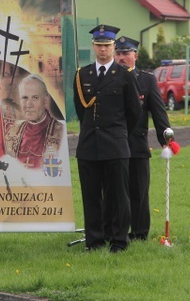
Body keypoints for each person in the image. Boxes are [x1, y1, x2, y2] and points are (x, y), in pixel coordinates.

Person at [73, 25, 141, 253]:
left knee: (119, 196)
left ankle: (119, 240)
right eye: (99, 45)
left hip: (115, 143)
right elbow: (82, 112)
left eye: (107, 45)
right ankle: (94, 240)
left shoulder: (124, 75)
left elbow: (134, 113)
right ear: (93, 47)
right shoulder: (83, 75)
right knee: (91, 195)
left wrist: (118, 133)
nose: (103, 50)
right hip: (89, 144)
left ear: (113, 47)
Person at [111, 36, 173, 241]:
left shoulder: (146, 80)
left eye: (126, 53)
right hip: (112, 144)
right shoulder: (108, 77)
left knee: (138, 193)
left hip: (136, 145)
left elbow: (158, 112)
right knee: (114, 193)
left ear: (135, 55)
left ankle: (138, 233)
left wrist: (166, 138)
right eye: (118, 53)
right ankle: (115, 231)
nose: (121, 57)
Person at [4, 74, 63, 169]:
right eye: (25, 98)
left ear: (46, 100)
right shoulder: (12, 131)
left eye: (35, 98)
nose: (29, 104)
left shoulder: (60, 131)